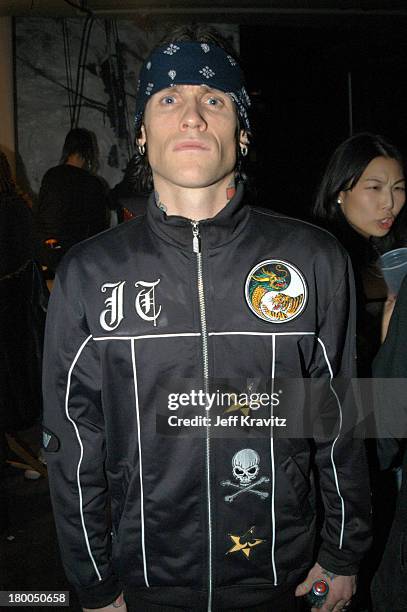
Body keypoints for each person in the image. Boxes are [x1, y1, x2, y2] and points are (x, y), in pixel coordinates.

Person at [42, 25, 371, 612]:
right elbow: (72, 440)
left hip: (281, 573)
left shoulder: (313, 257)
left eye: (214, 99)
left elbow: (341, 409)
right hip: (144, 580)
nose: (192, 116)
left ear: (241, 134)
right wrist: (91, 582)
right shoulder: (88, 273)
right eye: (169, 99)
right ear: (141, 134)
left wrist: (345, 552)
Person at [312, 133, 406, 376]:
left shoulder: (389, 254)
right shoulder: (325, 260)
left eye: (399, 188)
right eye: (374, 187)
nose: (389, 202)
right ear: (340, 192)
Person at [34, 128, 110, 276]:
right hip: (78, 258)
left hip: (49, 252)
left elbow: (42, 214)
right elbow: (98, 227)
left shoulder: (51, 176)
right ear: (88, 152)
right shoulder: (93, 183)